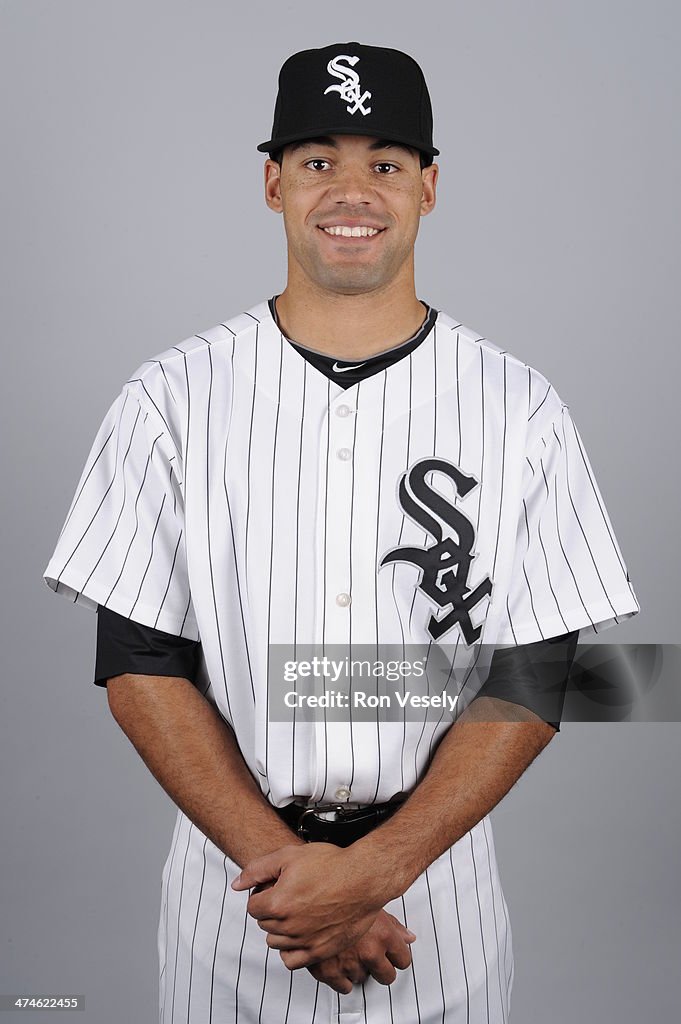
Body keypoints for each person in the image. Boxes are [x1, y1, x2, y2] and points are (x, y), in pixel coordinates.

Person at [42, 41, 640, 1024]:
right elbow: (143, 662)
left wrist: (378, 871)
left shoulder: (519, 407)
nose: (351, 189)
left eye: (385, 163)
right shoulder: (170, 399)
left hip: (435, 903)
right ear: (273, 181)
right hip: (235, 901)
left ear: (430, 187)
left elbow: (535, 674)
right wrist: (299, 882)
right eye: (319, 159)